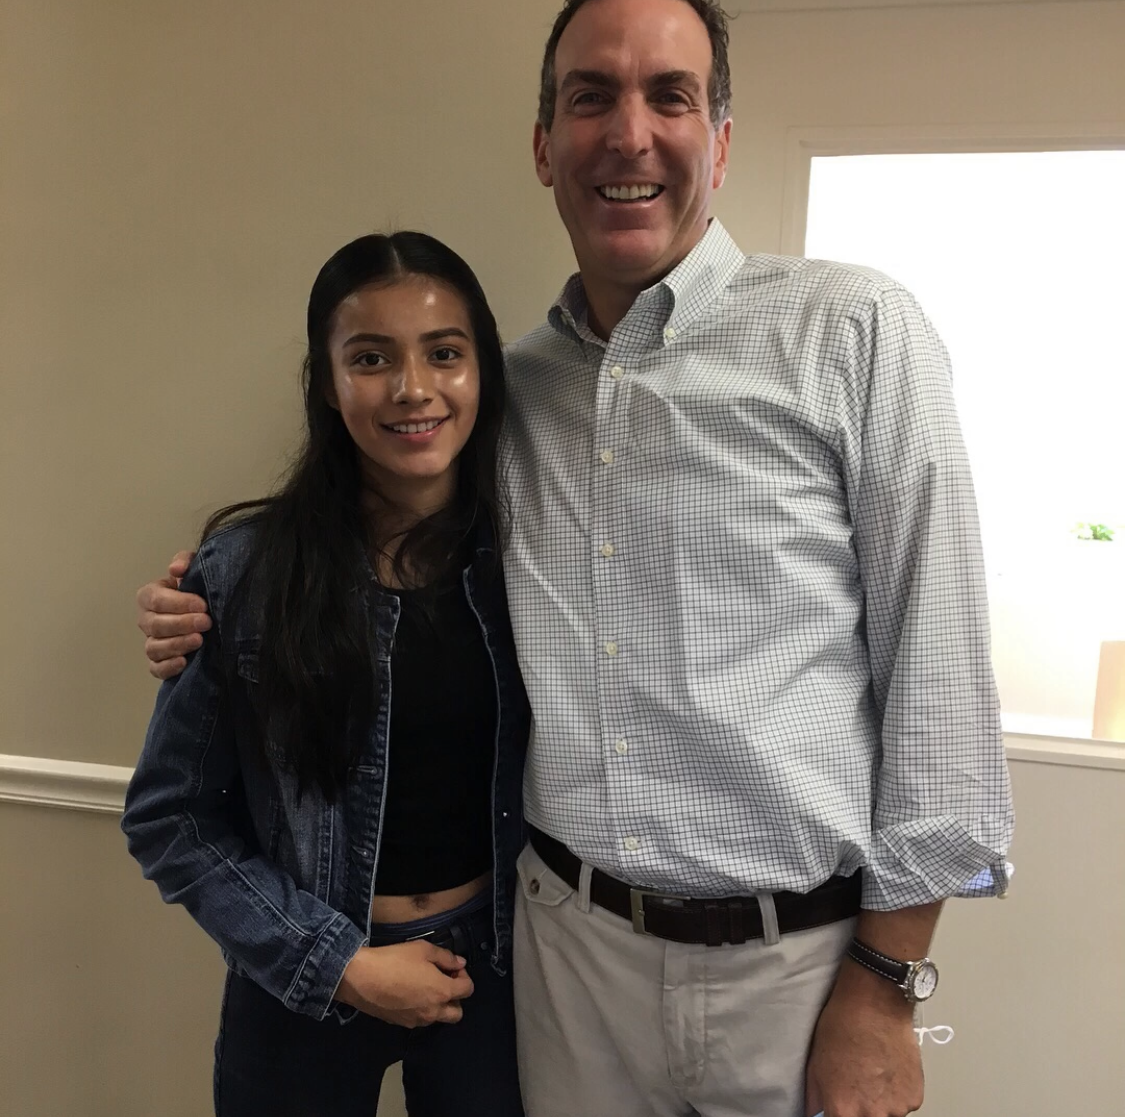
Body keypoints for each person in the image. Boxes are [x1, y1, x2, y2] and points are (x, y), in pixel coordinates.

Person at [137, 1, 1014, 1115]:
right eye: (590, 95)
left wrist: (887, 986)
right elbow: (365, 527)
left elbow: (940, 678)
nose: (629, 133)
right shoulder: (506, 392)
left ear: (724, 138)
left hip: (794, 969)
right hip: (560, 965)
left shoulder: (854, 333)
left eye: (671, 96)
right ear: (545, 144)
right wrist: (200, 594)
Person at [123, 231, 528, 1117]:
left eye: (445, 353)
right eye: (371, 357)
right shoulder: (244, 573)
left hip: (493, 973)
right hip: (302, 978)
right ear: (327, 383)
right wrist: (339, 964)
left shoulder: (534, 564)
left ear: (483, 371)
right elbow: (171, 816)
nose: (413, 388)